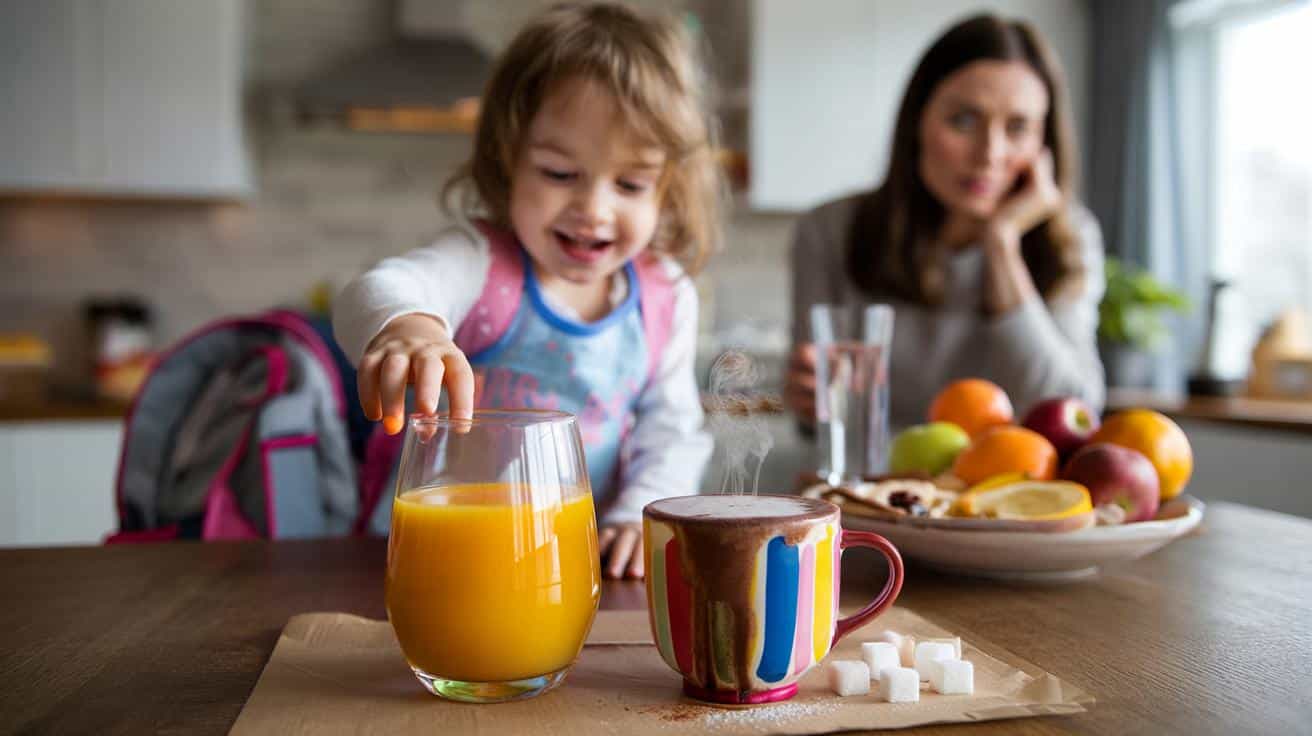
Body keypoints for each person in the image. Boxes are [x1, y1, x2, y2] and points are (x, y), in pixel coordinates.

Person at [333, 3, 723, 579]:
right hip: (440, 560)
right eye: (559, 173)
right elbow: (379, 287)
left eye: (631, 183)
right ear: (506, 160)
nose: (593, 209)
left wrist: (636, 517)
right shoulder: (483, 265)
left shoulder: (665, 297)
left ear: (668, 189)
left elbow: (673, 434)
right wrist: (409, 328)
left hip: (568, 565)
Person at [785, 14, 1106, 432]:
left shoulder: (1072, 237)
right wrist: (806, 395)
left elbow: (1074, 410)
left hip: (1009, 488)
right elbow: (816, 421)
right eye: (964, 121)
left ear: (1043, 143)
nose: (990, 153)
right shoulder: (828, 231)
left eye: (1017, 127)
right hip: (867, 488)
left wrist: (1002, 244)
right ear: (917, 122)